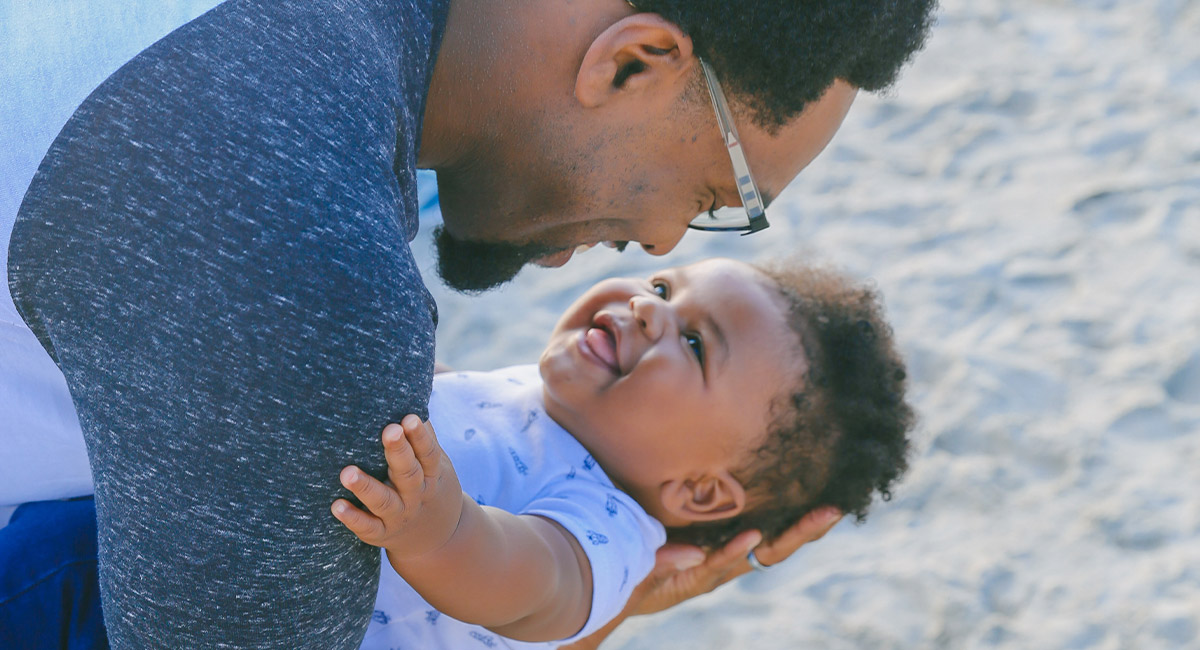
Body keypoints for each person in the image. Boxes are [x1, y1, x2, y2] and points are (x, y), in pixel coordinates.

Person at [3, 0, 936, 646]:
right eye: (709, 194)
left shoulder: (311, 70)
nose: (657, 244)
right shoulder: (304, 264)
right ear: (632, 61)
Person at [1, 258, 913, 649]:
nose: (648, 307)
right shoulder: (532, 399)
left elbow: (530, 584)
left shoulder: (607, 530)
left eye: (698, 344)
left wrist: (443, 534)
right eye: (668, 286)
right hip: (180, 545)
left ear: (703, 491)